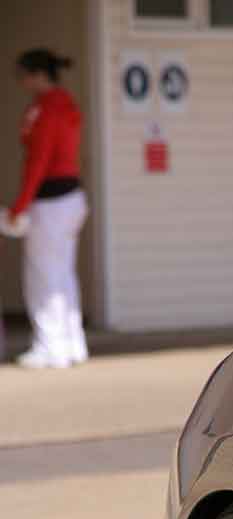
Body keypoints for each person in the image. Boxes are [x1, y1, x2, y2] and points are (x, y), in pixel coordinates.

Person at [1, 49, 88, 368]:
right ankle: (72, 344)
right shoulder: (67, 104)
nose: (21, 82)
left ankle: (50, 348)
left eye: (23, 75)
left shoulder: (45, 109)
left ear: (38, 75)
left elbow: (38, 162)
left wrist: (19, 207)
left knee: (42, 277)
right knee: (62, 274)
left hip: (50, 202)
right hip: (71, 198)